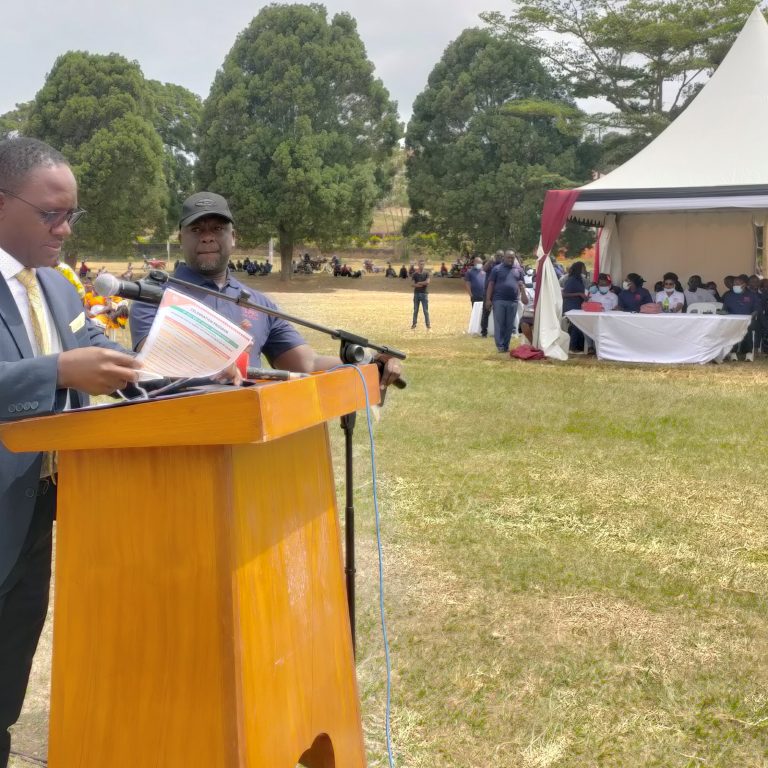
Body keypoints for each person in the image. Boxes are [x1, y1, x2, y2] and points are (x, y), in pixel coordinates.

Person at [0, 137, 141, 768]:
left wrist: (187, 374)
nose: (64, 228)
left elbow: (96, 375)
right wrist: (60, 368)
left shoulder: (60, 289)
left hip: (41, 521)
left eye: (72, 215)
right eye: (51, 214)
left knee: (4, 695)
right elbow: (63, 372)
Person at [130, 192, 403, 384]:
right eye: (196, 230)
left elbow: (307, 364)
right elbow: (157, 360)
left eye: (217, 228)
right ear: (181, 238)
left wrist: (366, 363)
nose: (208, 237)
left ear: (233, 237)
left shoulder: (260, 305)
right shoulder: (153, 296)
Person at [485, 250, 524, 353]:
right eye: (508, 257)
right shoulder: (496, 269)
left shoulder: (519, 270)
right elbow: (491, 285)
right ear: (504, 258)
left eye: (512, 257)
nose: (510, 259)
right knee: (499, 324)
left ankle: (506, 346)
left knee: (509, 325)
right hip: (499, 300)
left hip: (513, 301)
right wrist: (488, 299)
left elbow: (521, 284)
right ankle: (500, 346)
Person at [722, 274, 760, 361]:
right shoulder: (728, 296)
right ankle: (733, 353)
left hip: (748, 320)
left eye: (738, 284)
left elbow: (756, 310)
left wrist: (750, 318)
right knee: (732, 329)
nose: (735, 286)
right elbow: (724, 310)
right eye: (734, 284)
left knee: (747, 328)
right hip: (732, 321)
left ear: (744, 285)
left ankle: (749, 353)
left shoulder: (751, 295)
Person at [562, 261, 588, 351]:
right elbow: (564, 294)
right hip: (570, 305)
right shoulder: (572, 279)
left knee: (578, 326)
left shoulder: (580, 279)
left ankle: (578, 345)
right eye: (584, 267)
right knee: (575, 326)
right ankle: (573, 346)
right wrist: (579, 294)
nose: (585, 269)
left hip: (577, 305)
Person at [463, 256, 489, 337]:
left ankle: (484, 329)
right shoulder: (469, 272)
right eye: (478, 262)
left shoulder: (484, 271)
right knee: (476, 314)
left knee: (485, 314)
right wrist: (471, 295)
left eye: (481, 263)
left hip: (485, 296)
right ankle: (476, 329)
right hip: (475, 296)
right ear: (474, 263)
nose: (479, 264)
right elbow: (467, 284)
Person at [411, 259, 431, 330]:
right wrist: (419, 285)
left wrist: (419, 283)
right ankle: (414, 324)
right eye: (420, 264)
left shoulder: (426, 273)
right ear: (418, 265)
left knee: (425, 310)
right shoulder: (415, 274)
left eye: (423, 264)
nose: (422, 265)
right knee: (415, 310)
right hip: (416, 294)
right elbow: (412, 284)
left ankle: (428, 325)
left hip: (424, 294)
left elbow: (427, 282)